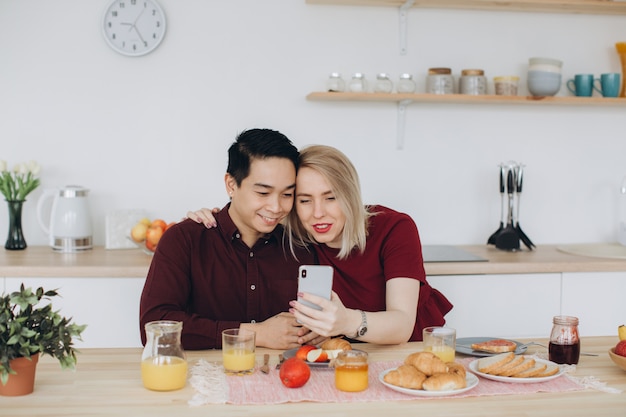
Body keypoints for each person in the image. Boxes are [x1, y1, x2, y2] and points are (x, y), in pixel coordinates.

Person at [188, 144, 453, 345]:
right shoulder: (294, 237)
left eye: (330, 198)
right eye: (304, 200)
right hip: (345, 356)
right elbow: (245, 218)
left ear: (350, 194)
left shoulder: (393, 228)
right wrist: (212, 220)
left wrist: (346, 321)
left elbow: (402, 324)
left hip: (410, 350)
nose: (318, 213)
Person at [139, 129, 322, 350]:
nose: (276, 207)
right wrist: (255, 334)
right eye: (263, 193)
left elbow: (317, 321)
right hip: (203, 379)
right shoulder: (184, 239)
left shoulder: (301, 246)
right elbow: (154, 326)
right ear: (231, 185)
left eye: (287, 194)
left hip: (283, 377)